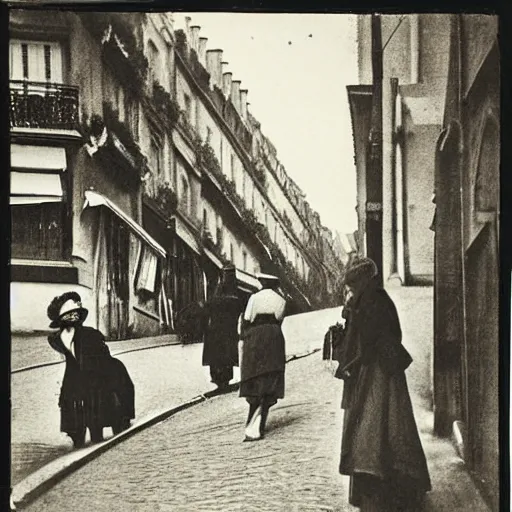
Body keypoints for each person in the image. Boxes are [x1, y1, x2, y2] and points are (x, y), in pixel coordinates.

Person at [336, 258, 431, 511]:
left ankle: (377, 491)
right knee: (391, 426)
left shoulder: (368, 301)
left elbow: (364, 341)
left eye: (353, 284)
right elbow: (391, 334)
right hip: (385, 370)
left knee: (373, 428)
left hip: (374, 372)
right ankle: (390, 485)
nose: (351, 289)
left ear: (361, 281)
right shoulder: (378, 298)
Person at [47, 292, 135, 448]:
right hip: (82, 378)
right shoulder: (61, 338)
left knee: (97, 405)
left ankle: (98, 431)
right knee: (79, 407)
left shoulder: (88, 335)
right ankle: (82, 433)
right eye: (70, 314)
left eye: (75, 314)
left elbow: (103, 358)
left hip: (93, 377)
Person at [239, 273, 287, 441]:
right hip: (274, 337)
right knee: (270, 376)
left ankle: (253, 425)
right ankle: (259, 421)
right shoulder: (281, 300)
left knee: (255, 375)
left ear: (264, 282)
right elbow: (280, 319)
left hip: (256, 337)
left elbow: (247, 318)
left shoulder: (254, 297)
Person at [201, 264, 244, 391]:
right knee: (226, 356)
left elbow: (209, 306)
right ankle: (224, 380)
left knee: (219, 356)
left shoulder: (218, 290)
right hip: (228, 330)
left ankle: (220, 381)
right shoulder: (236, 292)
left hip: (216, 330)